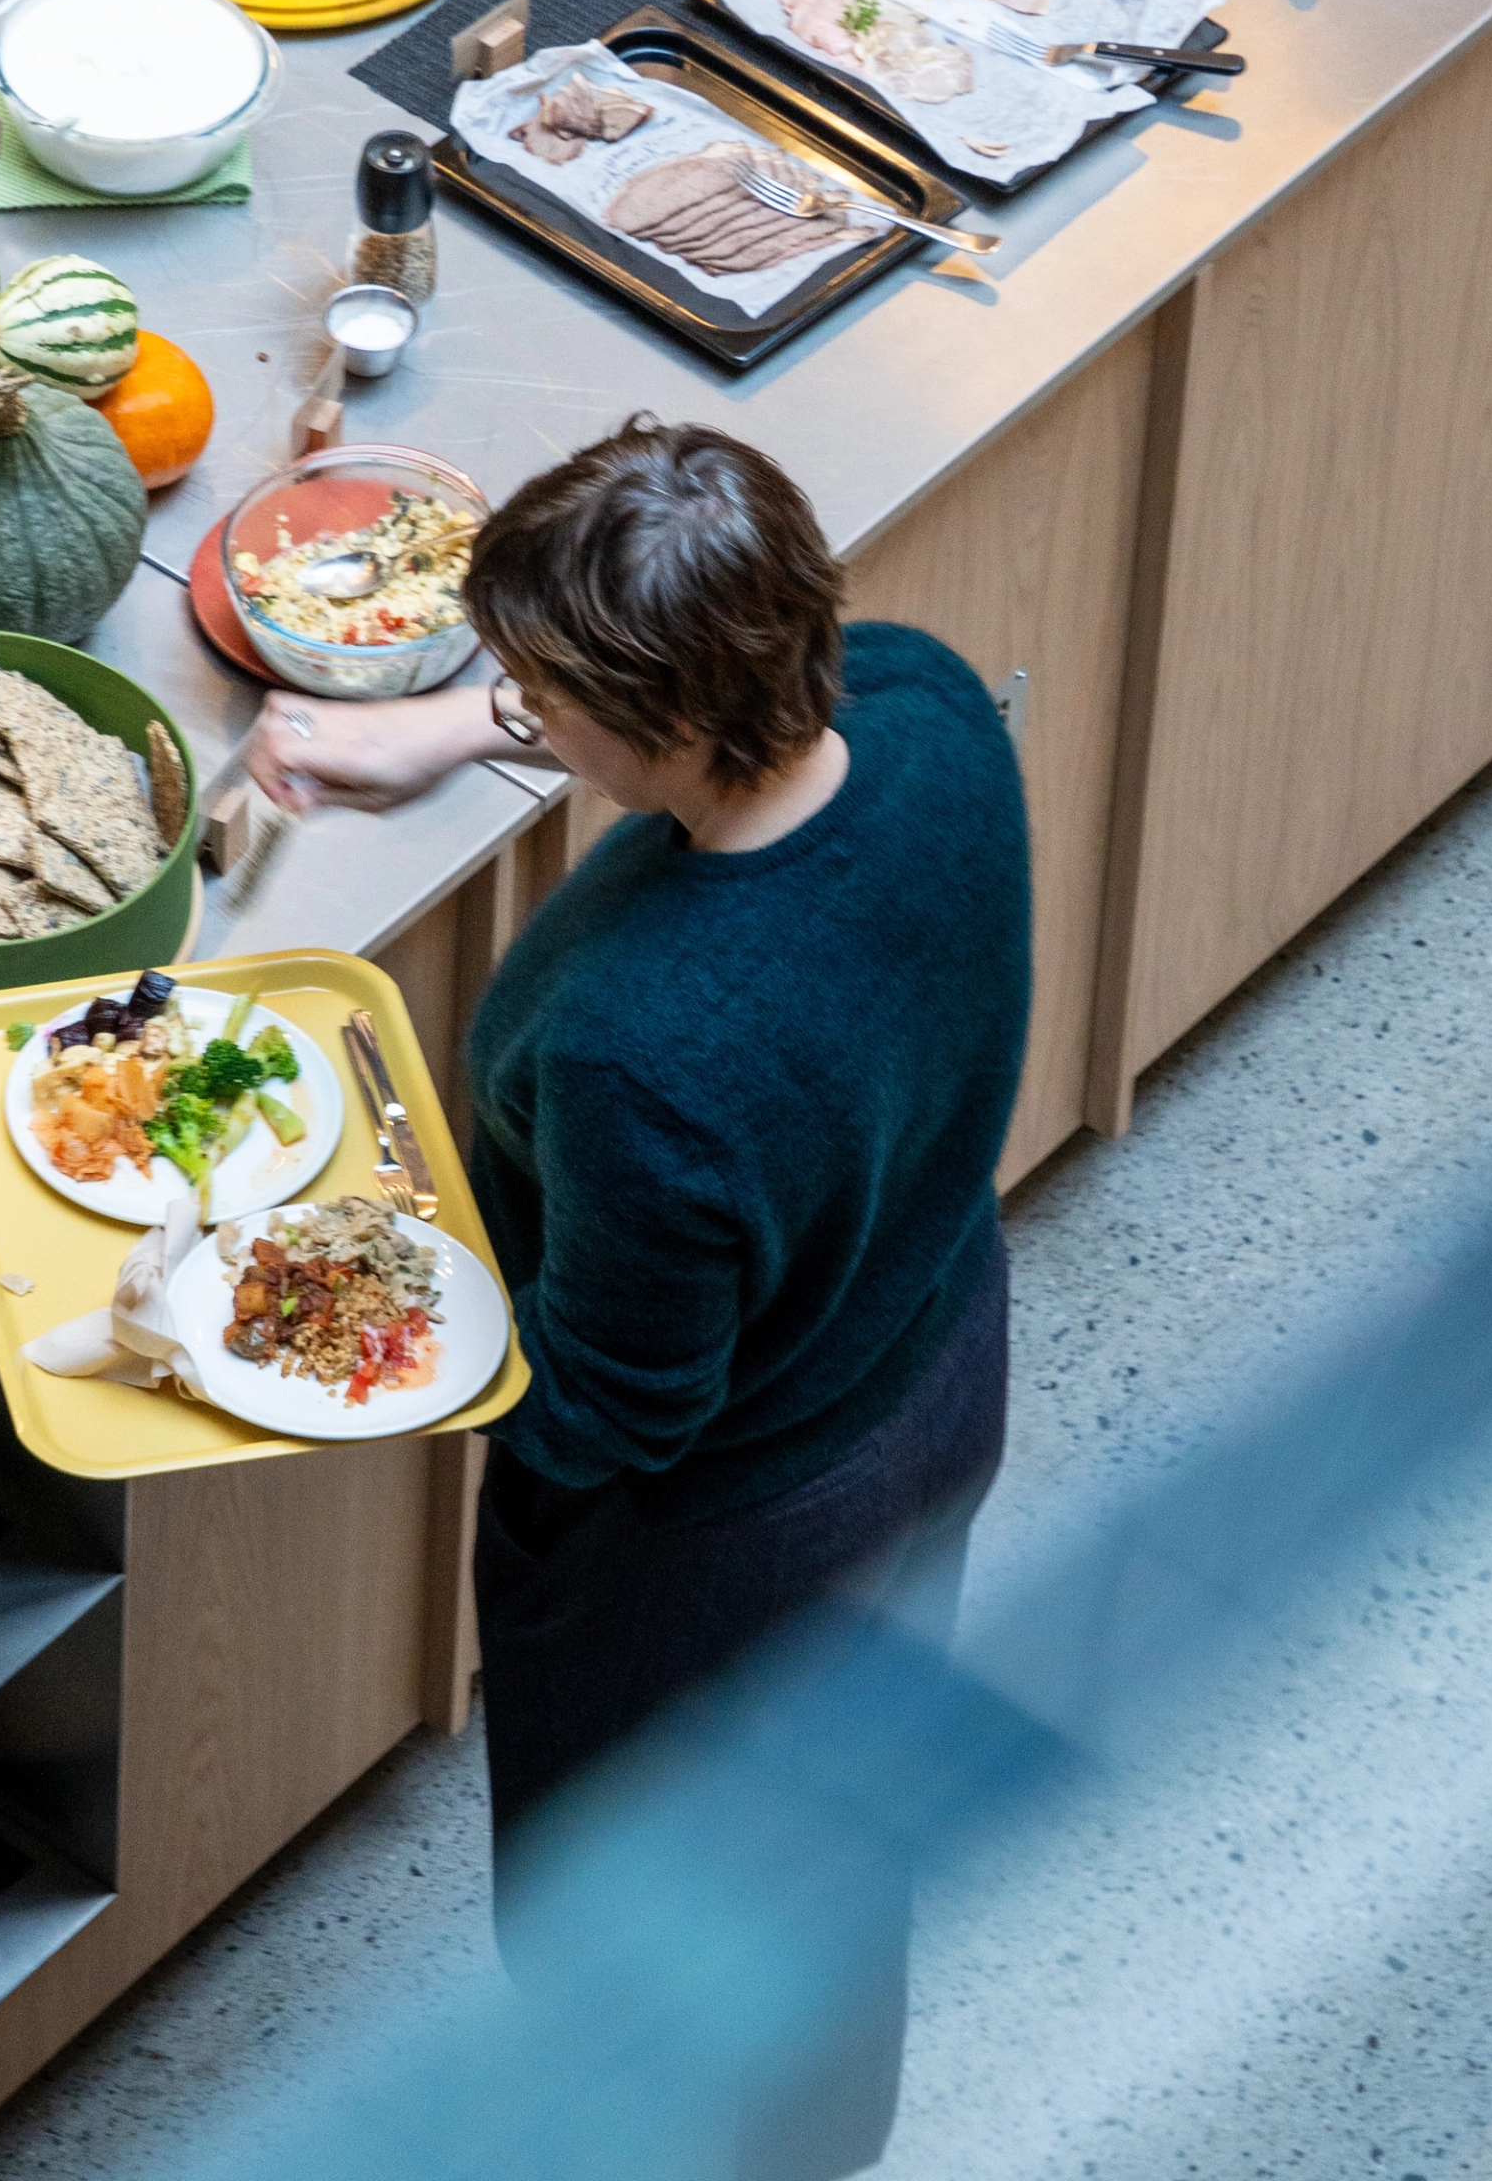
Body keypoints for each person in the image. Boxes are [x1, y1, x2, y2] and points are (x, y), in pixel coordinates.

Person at [254, 419, 1030, 2176]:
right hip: (930, 1352)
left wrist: (337, 1299)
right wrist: (444, 732)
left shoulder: (647, 1050)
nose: (512, 705)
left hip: (724, 1535)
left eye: (535, 691)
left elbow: (615, 1406)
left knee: (640, 1920)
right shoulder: (921, 709)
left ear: (660, 721)